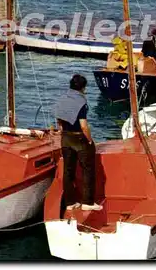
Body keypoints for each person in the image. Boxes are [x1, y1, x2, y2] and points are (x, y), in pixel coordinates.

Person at [54, 75, 102, 212]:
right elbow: (84, 126)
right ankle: (87, 202)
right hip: (79, 139)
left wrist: (63, 131)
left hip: (66, 138)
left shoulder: (63, 99)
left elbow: (59, 120)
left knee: (68, 171)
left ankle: (70, 203)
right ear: (83, 87)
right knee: (88, 169)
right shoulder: (81, 102)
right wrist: (89, 140)